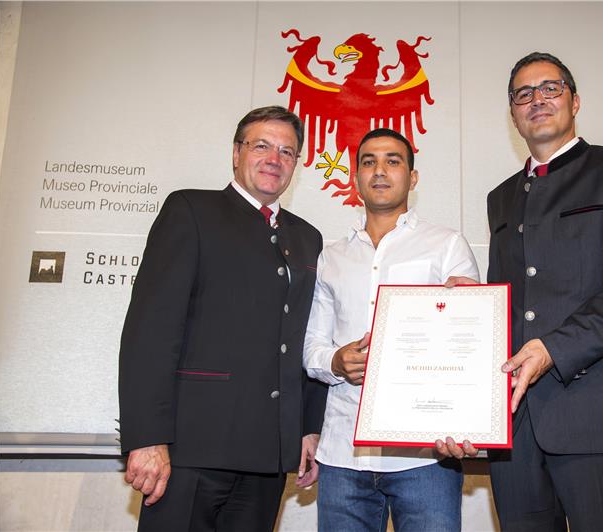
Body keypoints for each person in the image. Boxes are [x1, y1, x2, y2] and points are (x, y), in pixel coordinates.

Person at [484, 52, 603, 531]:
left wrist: (554, 348)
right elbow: (512, 296)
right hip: (515, 423)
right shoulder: (501, 197)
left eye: (551, 88)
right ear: (513, 114)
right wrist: (473, 304)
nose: (537, 100)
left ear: (575, 100)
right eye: (523, 94)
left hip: (597, 414)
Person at [118, 106, 327, 531]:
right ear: (236, 153)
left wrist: (308, 428)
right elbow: (151, 331)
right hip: (189, 450)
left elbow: (305, 336)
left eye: (287, 151)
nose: (274, 159)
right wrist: (148, 438)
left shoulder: (308, 238)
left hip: (268, 455)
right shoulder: (191, 211)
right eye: (261, 146)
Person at [303, 128, 480, 531]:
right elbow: (312, 345)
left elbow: (469, 347)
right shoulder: (332, 256)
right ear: (356, 177)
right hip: (343, 452)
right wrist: (335, 360)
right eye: (369, 162)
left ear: (412, 178)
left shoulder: (447, 246)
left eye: (392, 161)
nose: (380, 170)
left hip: (426, 456)